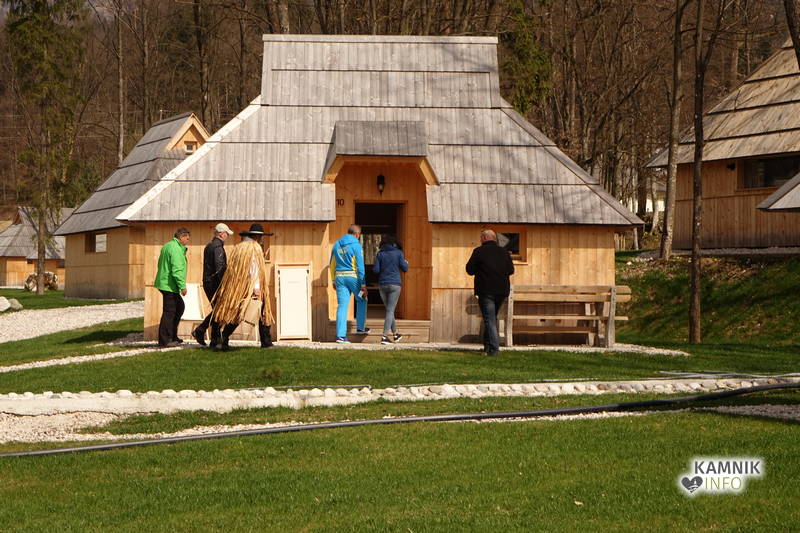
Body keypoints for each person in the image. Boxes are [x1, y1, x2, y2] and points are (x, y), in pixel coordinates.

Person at [211, 223, 274, 351]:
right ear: (258, 237)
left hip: (238, 286)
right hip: (250, 286)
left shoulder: (240, 247)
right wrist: (256, 286)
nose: (262, 239)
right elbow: (253, 268)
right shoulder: (254, 248)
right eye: (261, 237)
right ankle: (266, 342)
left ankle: (225, 337)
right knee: (261, 310)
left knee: (238, 312)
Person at [466, 229, 515, 357]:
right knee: (492, 318)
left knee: (490, 320)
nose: (480, 240)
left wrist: (480, 269)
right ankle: (487, 347)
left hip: (486, 290)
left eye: (480, 237)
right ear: (494, 238)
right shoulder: (504, 252)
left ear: (484, 238)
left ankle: (494, 349)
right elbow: (511, 270)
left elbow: (469, 270)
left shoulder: (479, 251)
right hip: (502, 291)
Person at [192, 223, 234, 346]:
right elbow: (219, 267)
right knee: (219, 309)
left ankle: (215, 340)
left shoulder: (209, 246)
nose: (227, 236)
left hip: (208, 281)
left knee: (217, 309)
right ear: (221, 234)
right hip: (215, 283)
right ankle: (200, 330)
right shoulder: (218, 248)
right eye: (226, 234)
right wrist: (224, 284)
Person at [330, 224, 369, 343]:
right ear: (357, 234)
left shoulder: (336, 244)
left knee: (342, 306)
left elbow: (332, 264)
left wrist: (333, 280)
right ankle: (360, 328)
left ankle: (340, 336)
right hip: (353, 277)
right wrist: (363, 285)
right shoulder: (356, 245)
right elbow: (360, 266)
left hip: (340, 278)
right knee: (362, 299)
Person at [154, 227, 190, 347]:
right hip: (169, 285)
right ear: (181, 237)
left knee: (179, 307)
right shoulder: (176, 249)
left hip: (165, 282)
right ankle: (165, 340)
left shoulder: (167, 246)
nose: (188, 241)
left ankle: (172, 336)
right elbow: (177, 270)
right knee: (169, 312)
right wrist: (182, 286)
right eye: (187, 238)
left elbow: (160, 263)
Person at [372, 234, 408, 344]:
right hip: (395, 285)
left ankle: (395, 334)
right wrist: (406, 263)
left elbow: (376, 270)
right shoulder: (398, 253)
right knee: (390, 310)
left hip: (382, 285)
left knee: (389, 310)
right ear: (395, 243)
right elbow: (405, 268)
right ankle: (384, 336)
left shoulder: (380, 254)